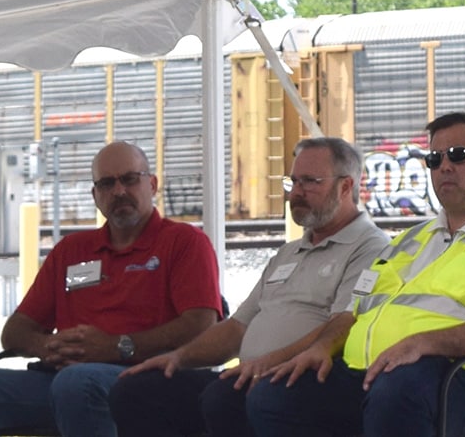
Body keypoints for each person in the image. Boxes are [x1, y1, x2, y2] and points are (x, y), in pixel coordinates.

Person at [247, 112, 465, 437]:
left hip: (461, 384)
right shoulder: (406, 241)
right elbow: (353, 313)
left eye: (458, 155)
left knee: (399, 386)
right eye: (434, 159)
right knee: (274, 394)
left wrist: (422, 343)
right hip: (375, 376)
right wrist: (321, 347)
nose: (444, 166)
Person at [0, 141, 223, 437]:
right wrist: (47, 347)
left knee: (77, 382)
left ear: (153, 184)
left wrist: (117, 346)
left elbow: (201, 324)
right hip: (62, 379)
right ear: (95, 196)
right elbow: (15, 331)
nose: (119, 191)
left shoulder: (184, 242)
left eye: (130, 179)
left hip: (145, 380)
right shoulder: (72, 250)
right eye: (107, 183)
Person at [107, 137, 389, 437]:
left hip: (307, 378)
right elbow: (237, 327)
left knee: (226, 398)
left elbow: (342, 326)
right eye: (292, 181)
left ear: (345, 187)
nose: (296, 193)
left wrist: (266, 363)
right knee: (137, 390)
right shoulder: (289, 252)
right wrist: (179, 357)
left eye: (309, 182)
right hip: (253, 374)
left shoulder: (370, 247)